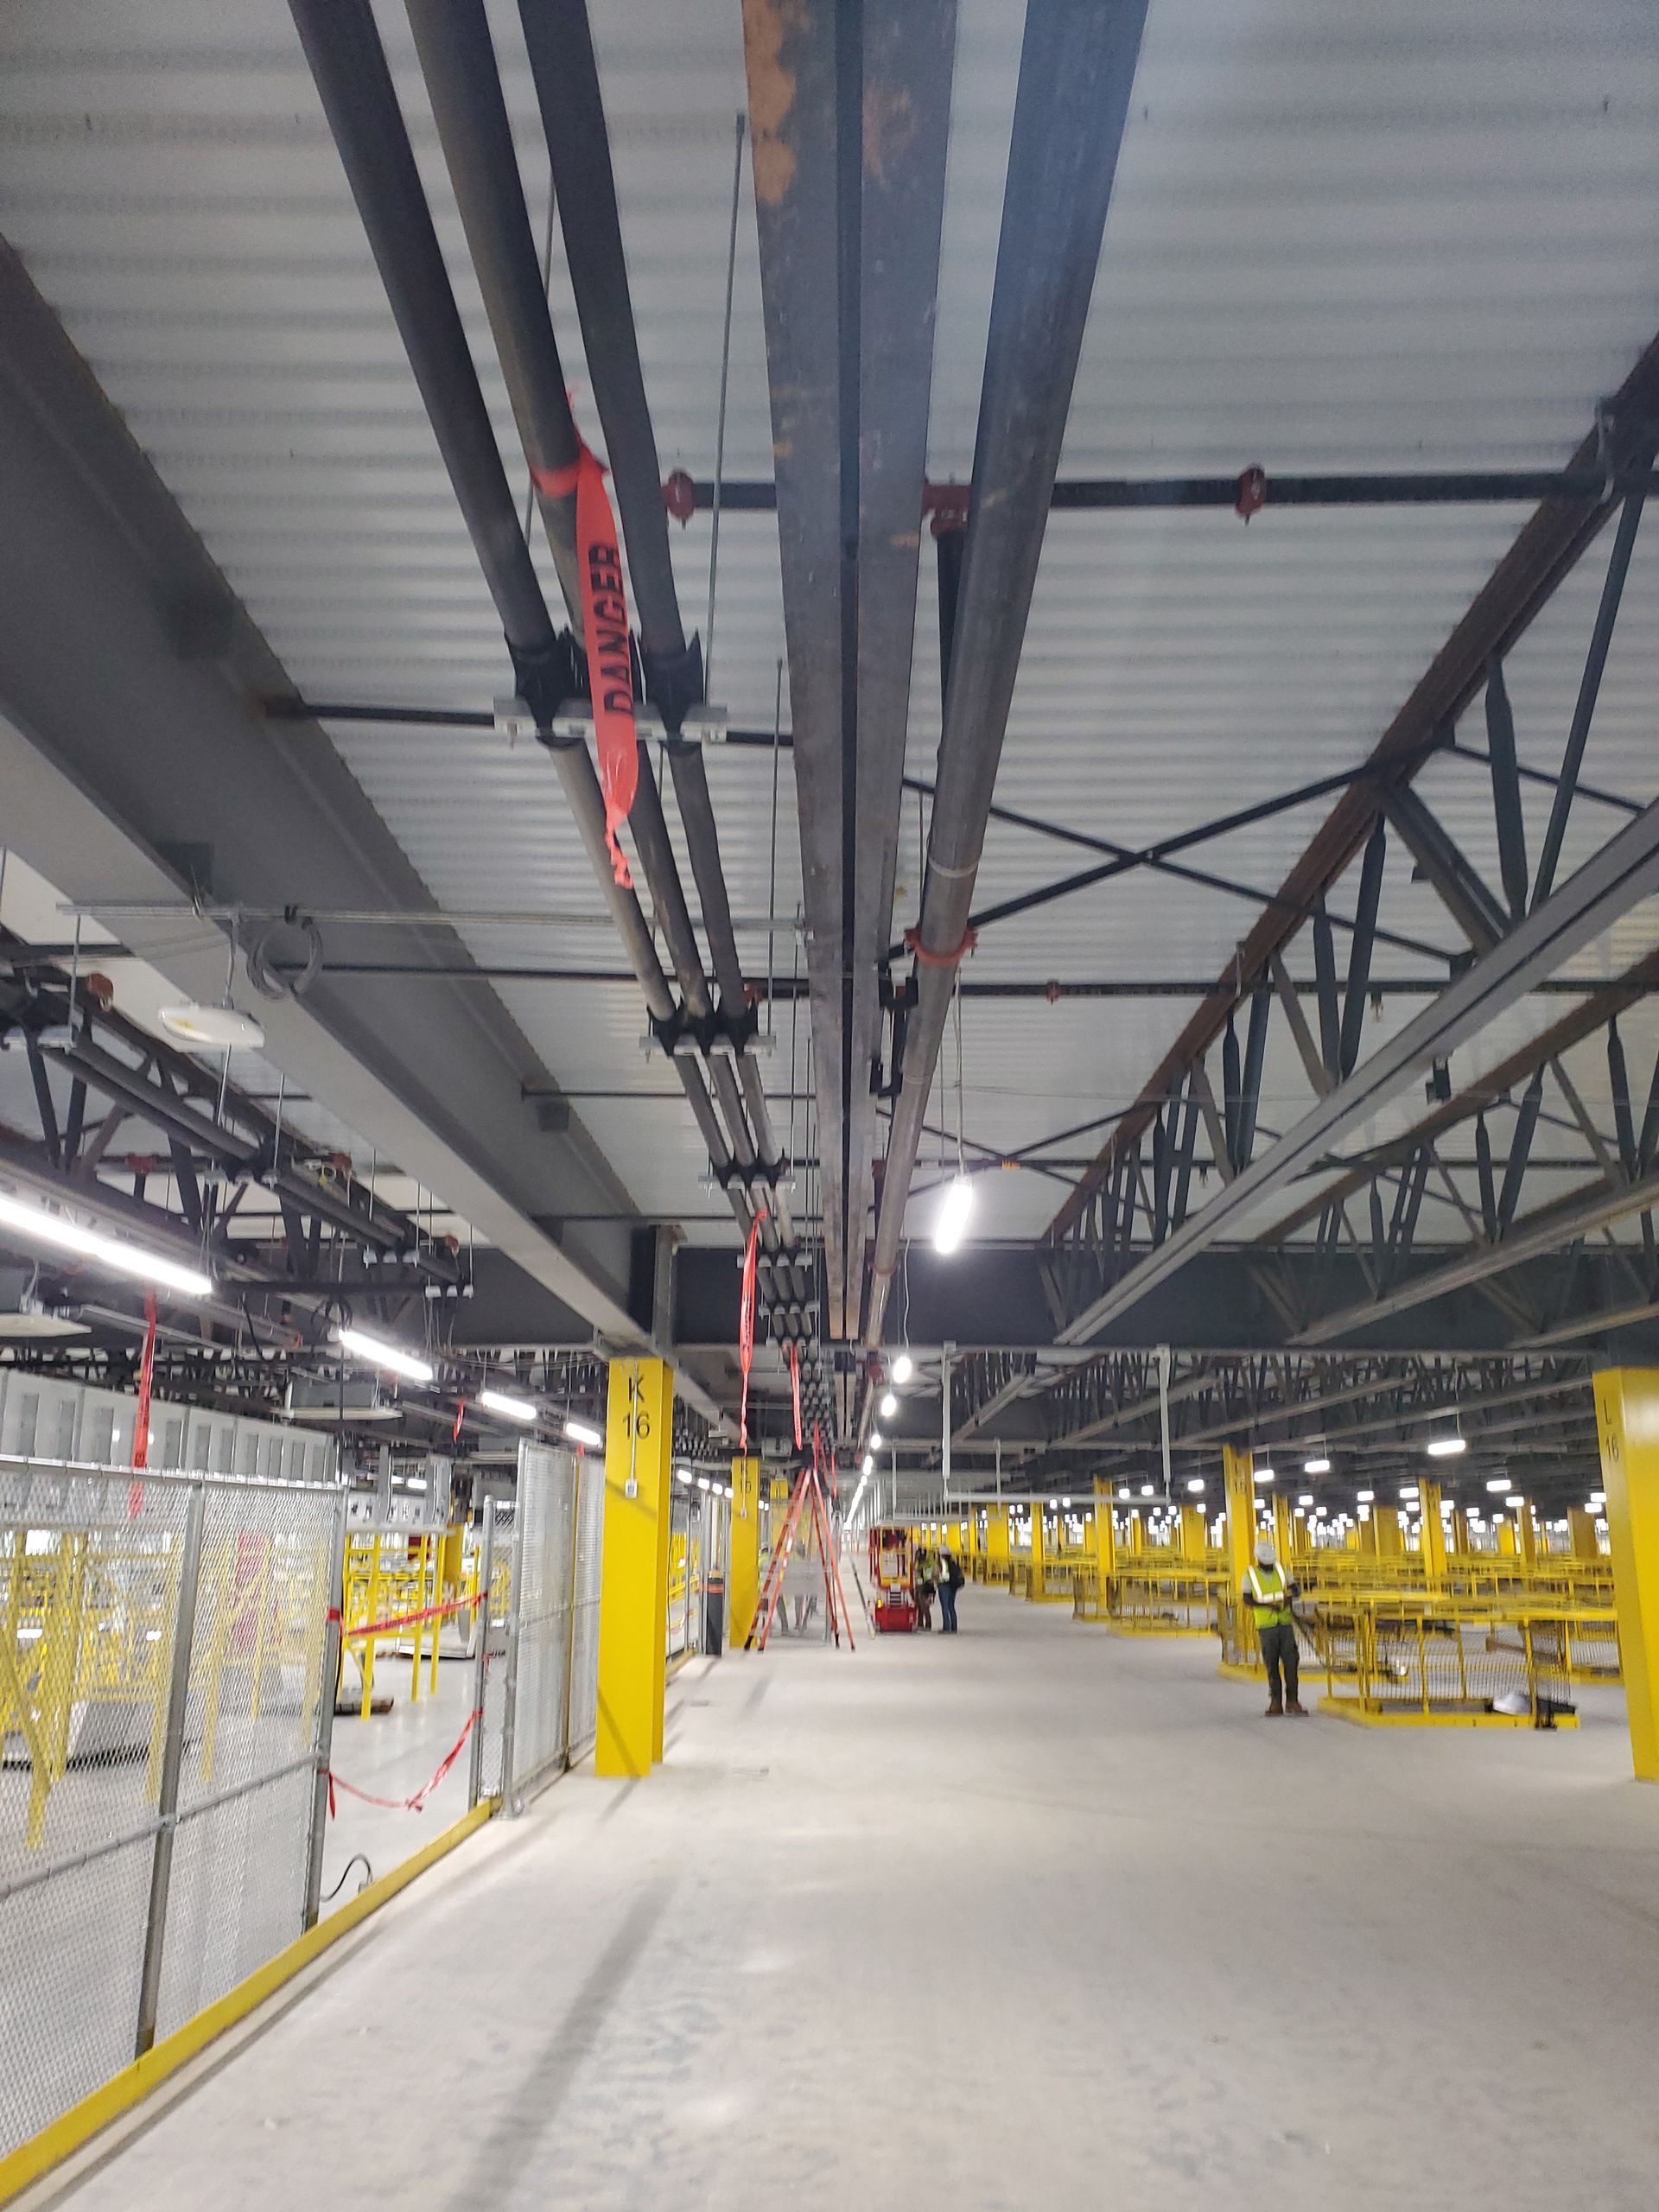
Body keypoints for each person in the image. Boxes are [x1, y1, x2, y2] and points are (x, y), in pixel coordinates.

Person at [1242, 1536, 1305, 1717]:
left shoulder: (1282, 1569)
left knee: (1291, 1663)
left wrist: (1290, 1597)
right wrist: (1268, 1606)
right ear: (1259, 1559)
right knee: (1272, 1665)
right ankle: (1275, 1702)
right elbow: (1247, 1599)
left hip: (1284, 1624)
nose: (1270, 1565)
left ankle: (1292, 1701)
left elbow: (1296, 1589)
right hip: (1266, 1626)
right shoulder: (1249, 1574)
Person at [938, 1547, 964, 1634]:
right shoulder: (953, 1563)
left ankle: (946, 1627)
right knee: (951, 1607)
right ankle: (954, 1627)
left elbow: (944, 1576)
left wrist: (937, 1578)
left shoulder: (943, 1564)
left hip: (945, 1586)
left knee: (945, 1607)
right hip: (953, 1587)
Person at [914, 1545, 936, 1631]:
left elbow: (929, 1575)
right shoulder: (919, 1561)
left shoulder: (929, 1564)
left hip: (926, 1586)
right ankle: (920, 1624)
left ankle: (928, 1625)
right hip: (919, 1585)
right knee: (918, 1605)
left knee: (924, 1606)